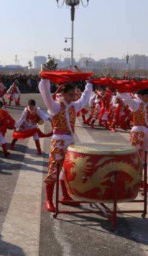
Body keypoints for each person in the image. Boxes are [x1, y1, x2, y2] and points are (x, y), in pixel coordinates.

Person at [39, 76, 93, 212]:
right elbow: (45, 94)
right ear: (62, 94)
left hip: (70, 142)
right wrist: (45, 80)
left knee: (68, 169)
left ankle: (65, 196)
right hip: (58, 142)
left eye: (74, 95)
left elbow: (85, 99)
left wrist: (89, 84)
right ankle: (49, 200)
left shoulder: (74, 106)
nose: (72, 97)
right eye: (70, 95)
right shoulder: (56, 106)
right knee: (53, 169)